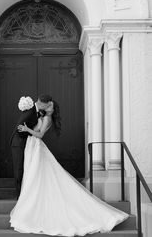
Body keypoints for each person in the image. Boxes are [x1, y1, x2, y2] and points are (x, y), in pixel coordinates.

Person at [9, 95, 129, 236]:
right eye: (48, 106)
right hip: (31, 147)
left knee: (37, 173)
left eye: (51, 107)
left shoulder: (47, 119)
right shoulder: (39, 115)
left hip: (36, 145)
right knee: (33, 174)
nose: (48, 108)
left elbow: (40, 135)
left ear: (53, 110)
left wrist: (27, 130)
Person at [9, 94, 50, 198]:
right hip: (18, 143)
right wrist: (30, 133)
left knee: (23, 168)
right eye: (46, 105)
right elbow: (19, 129)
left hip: (24, 143)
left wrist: (29, 131)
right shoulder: (31, 112)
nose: (46, 108)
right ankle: (19, 197)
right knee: (19, 170)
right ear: (42, 103)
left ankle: (23, 195)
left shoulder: (35, 112)